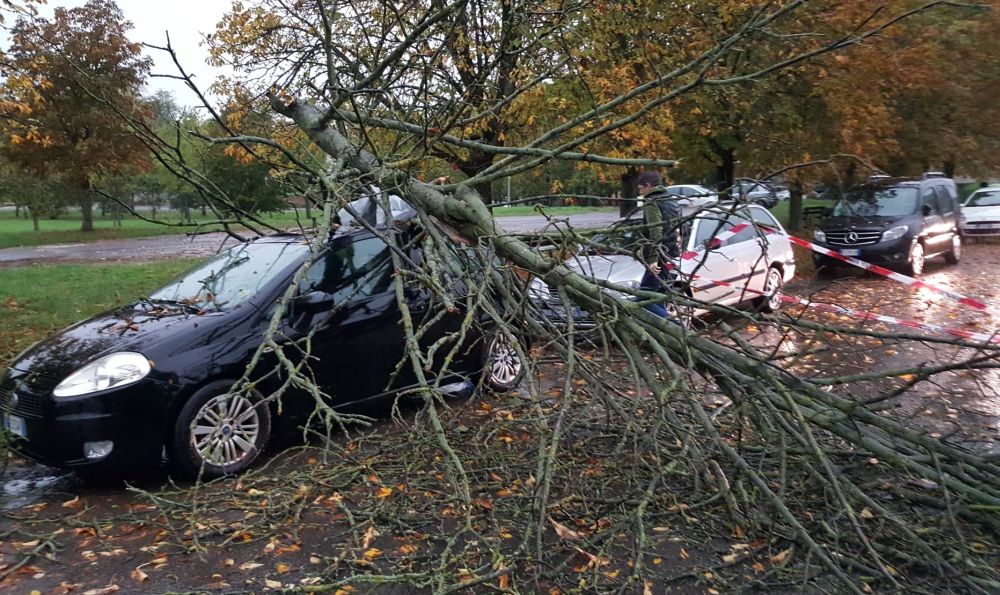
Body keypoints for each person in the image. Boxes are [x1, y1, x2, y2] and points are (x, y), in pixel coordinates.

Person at [636, 170, 681, 317]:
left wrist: (653, 259)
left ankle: (673, 325)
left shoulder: (651, 202)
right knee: (659, 299)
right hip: (671, 256)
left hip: (659, 257)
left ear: (648, 186)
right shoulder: (671, 200)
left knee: (644, 298)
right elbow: (679, 230)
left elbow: (656, 230)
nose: (640, 192)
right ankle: (664, 329)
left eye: (641, 188)